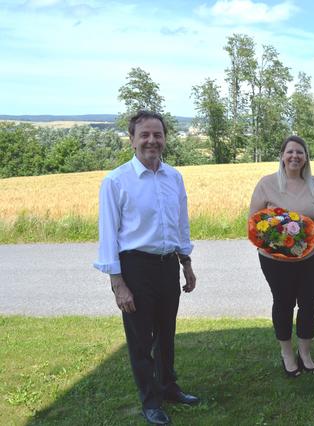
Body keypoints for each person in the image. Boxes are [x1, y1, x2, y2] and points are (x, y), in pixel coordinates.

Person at [93, 110, 200, 425]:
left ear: (165, 138)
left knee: (166, 333)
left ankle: (168, 387)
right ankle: (151, 401)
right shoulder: (116, 181)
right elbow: (108, 235)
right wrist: (118, 283)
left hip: (168, 265)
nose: (152, 140)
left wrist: (186, 263)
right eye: (145, 135)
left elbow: (180, 225)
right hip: (135, 268)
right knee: (141, 339)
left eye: (158, 135)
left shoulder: (174, 177)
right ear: (132, 139)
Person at [249, 135, 314, 377]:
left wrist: (307, 232)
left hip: (309, 256)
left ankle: (305, 352)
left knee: (310, 303)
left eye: (300, 152)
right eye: (290, 152)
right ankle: (286, 353)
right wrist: (276, 241)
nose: (295, 156)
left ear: (306, 157)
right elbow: (254, 221)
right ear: (282, 156)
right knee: (284, 303)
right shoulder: (267, 183)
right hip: (276, 260)